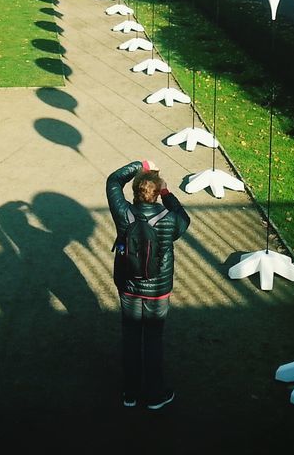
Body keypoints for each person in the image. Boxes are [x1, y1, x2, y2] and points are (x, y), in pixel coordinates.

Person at [106, 159, 189, 410]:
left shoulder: (124, 213)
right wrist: (167, 193)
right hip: (158, 291)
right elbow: (185, 218)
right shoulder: (170, 220)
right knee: (153, 339)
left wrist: (139, 164)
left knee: (130, 337)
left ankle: (129, 393)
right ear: (156, 193)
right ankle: (155, 395)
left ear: (135, 192)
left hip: (129, 287)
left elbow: (113, 181)